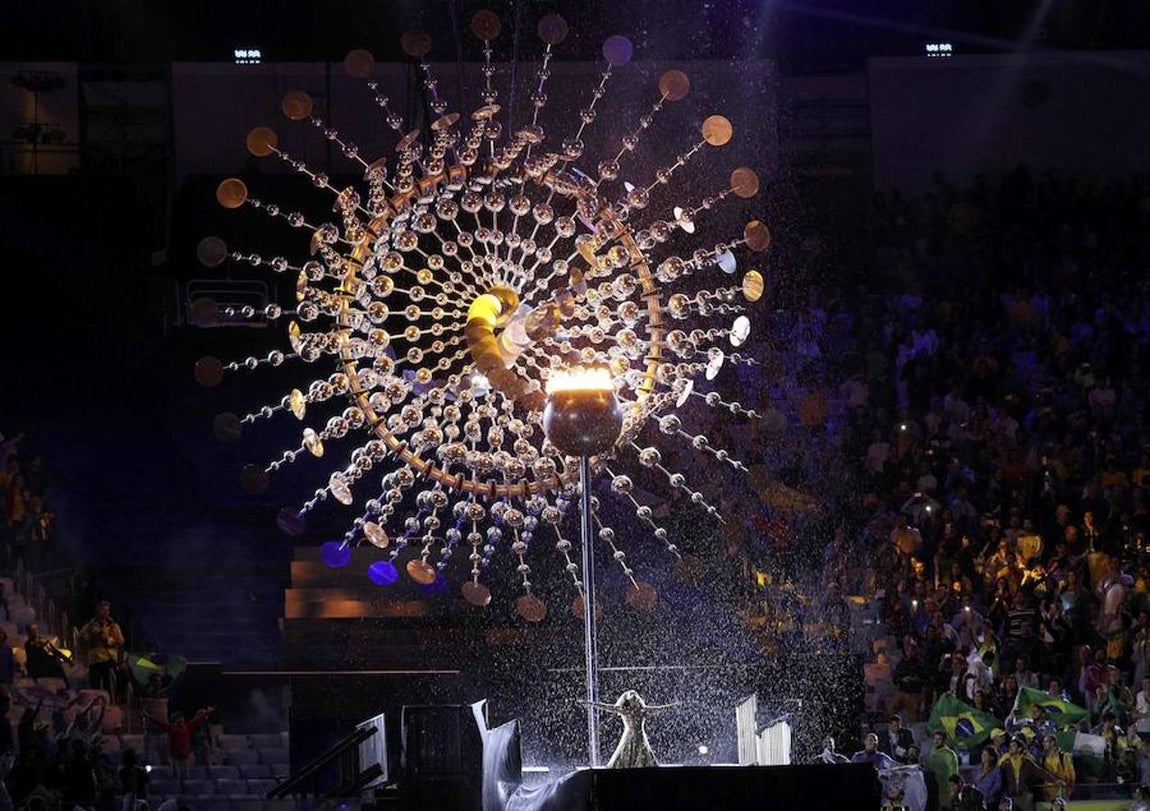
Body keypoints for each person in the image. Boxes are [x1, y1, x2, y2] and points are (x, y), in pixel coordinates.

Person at [577, 691, 679, 768]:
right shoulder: (624, 710)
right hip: (629, 735)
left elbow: (659, 709)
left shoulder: (643, 710)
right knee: (626, 754)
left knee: (641, 754)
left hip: (640, 735)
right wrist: (589, 703)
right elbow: (605, 707)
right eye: (632, 697)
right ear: (628, 701)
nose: (635, 697)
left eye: (636, 697)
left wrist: (672, 706)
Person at [148, 706, 214, 791]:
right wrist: (150, 718)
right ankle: (176, 791)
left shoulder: (187, 727)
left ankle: (185, 791)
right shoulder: (172, 728)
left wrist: (206, 712)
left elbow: (197, 719)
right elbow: (160, 724)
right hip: (175, 757)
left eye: (182, 718)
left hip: (185, 757)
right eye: (179, 719)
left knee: (185, 776)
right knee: (176, 777)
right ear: (176, 720)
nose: (181, 720)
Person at [81, 600, 124, 696]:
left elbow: (121, 641)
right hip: (95, 659)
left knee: (108, 686)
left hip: (108, 659)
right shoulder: (90, 625)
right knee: (94, 686)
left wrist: (109, 640)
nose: (104, 613)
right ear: (98, 610)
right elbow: (81, 637)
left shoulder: (113, 626)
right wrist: (92, 637)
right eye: (102, 610)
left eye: (107, 610)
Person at [927, 730, 959, 810]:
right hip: (933, 790)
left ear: (944, 740)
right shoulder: (931, 752)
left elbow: (954, 773)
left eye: (939, 739)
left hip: (946, 791)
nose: (936, 741)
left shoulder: (950, 754)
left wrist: (953, 791)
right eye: (935, 739)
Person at [1040, 733, 1075, 801]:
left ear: (1052, 743)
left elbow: (1071, 775)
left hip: (1062, 792)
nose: (1043, 744)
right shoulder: (1043, 758)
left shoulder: (1064, 756)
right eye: (1043, 742)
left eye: (1046, 742)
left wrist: (1068, 791)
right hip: (1048, 793)